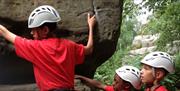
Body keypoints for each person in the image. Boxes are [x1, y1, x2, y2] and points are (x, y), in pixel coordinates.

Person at [0, 5, 96, 91]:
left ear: (45, 30)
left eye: (34, 29)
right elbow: (89, 49)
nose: (31, 33)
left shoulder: (36, 47)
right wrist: (91, 27)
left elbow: (4, 32)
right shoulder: (69, 45)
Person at [76, 65, 142, 91]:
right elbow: (100, 85)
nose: (113, 83)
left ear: (127, 86)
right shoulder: (116, 89)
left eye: (116, 81)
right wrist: (82, 77)